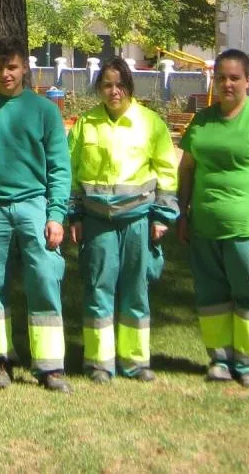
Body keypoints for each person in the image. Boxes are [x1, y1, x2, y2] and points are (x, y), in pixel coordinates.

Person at [0, 36, 72, 393]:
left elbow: (60, 167)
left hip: (34, 206)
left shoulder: (44, 111)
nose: (4, 74)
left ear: (24, 68)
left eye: (11, 67)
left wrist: (56, 214)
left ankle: (50, 365)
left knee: (44, 280)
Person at [177, 48, 249, 388]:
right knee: (211, 295)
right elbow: (187, 170)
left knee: (248, 292)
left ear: (248, 81)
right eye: (221, 77)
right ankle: (220, 359)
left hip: (248, 228)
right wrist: (183, 213)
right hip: (206, 226)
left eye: (234, 78)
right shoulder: (203, 120)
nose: (227, 84)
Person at [67, 57, 179, 384]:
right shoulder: (85, 125)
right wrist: (74, 216)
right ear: (99, 88)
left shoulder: (150, 123)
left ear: (129, 86)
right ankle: (99, 363)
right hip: (97, 220)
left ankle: (134, 361)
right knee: (98, 288)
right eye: (107, 85)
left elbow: (167, 174)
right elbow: (71, 175)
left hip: (138, 220)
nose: (113, 91)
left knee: (135, 288)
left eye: (120, 85)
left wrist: (163, 215)